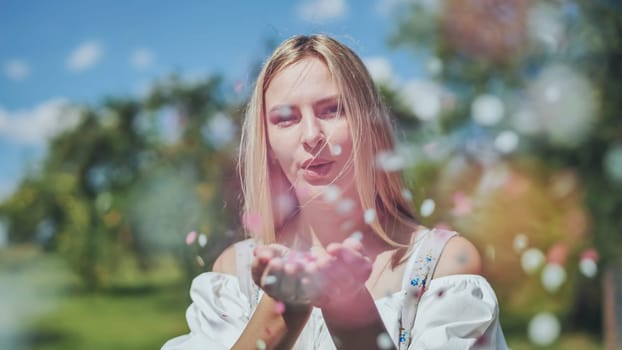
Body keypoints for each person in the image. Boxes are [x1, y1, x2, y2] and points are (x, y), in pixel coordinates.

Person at [162, 34, 508, 350]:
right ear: (266, 143)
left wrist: (349, 308)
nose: (312, 134)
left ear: (369, 124)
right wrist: (282, 309)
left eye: (333, 110)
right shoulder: (236, 275)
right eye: (286, 118)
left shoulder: (439, 266)